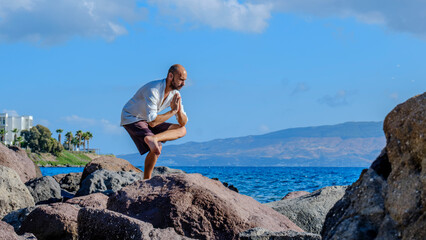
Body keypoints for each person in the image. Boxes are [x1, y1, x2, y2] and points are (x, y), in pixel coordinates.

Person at [121, 64, 188, 179]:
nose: (183, 84)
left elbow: (183, 122)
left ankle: (154, 139)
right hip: (132, 117)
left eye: (185, 80)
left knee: (182, 130)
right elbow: (152, 122)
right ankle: (147, 180)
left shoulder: (175, 94)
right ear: (170, 76)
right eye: (181, 79)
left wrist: (178, 111)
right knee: (157, 147)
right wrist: (172, 112)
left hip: (148, 119)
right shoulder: (154, 89)